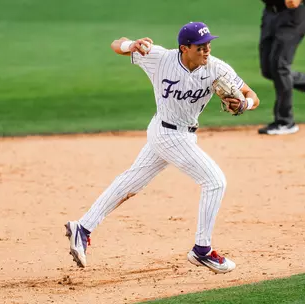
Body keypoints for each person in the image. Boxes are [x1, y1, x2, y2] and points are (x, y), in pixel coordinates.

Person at [64, 22, 260, 274]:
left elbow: (251, 94)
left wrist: (244, 104)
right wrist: (130, 45)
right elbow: (116, 44)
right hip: (167, 134)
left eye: (209, 44)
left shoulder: (216, 68)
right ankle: (202, 250)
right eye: (200, 47)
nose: (207, 50)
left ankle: (83, 227)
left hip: (180, 135)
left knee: (130, 183)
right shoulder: (160, 58)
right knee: (215, 181)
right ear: (184, 48)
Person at [257, 0, 305, 135]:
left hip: (291, 16)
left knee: (280, 66)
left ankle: (285, 121)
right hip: (270, 13)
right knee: (268, 69)